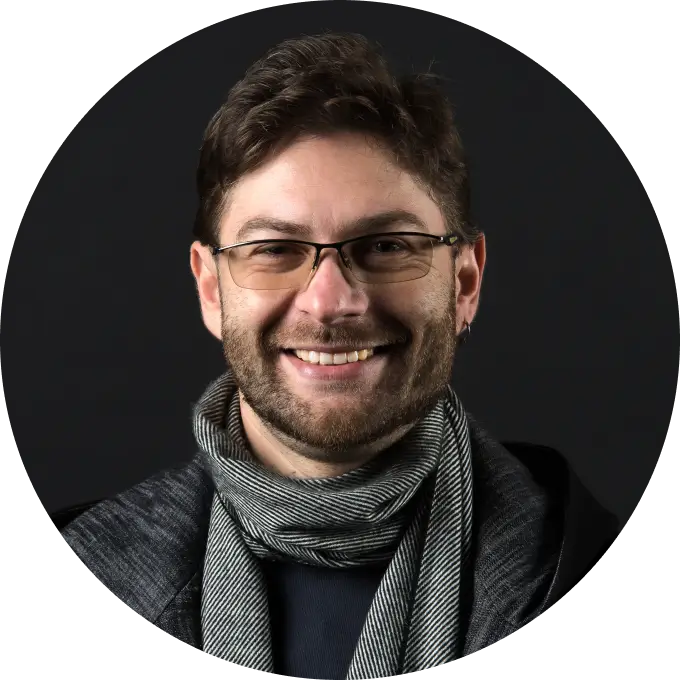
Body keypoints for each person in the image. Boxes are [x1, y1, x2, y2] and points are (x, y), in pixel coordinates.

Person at [52, 31, 623, 676]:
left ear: (465, 282)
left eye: (386, 246)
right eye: (275, 250)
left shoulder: (574, 567)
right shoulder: (91, 562)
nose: (329, 303)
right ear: (210, 289)